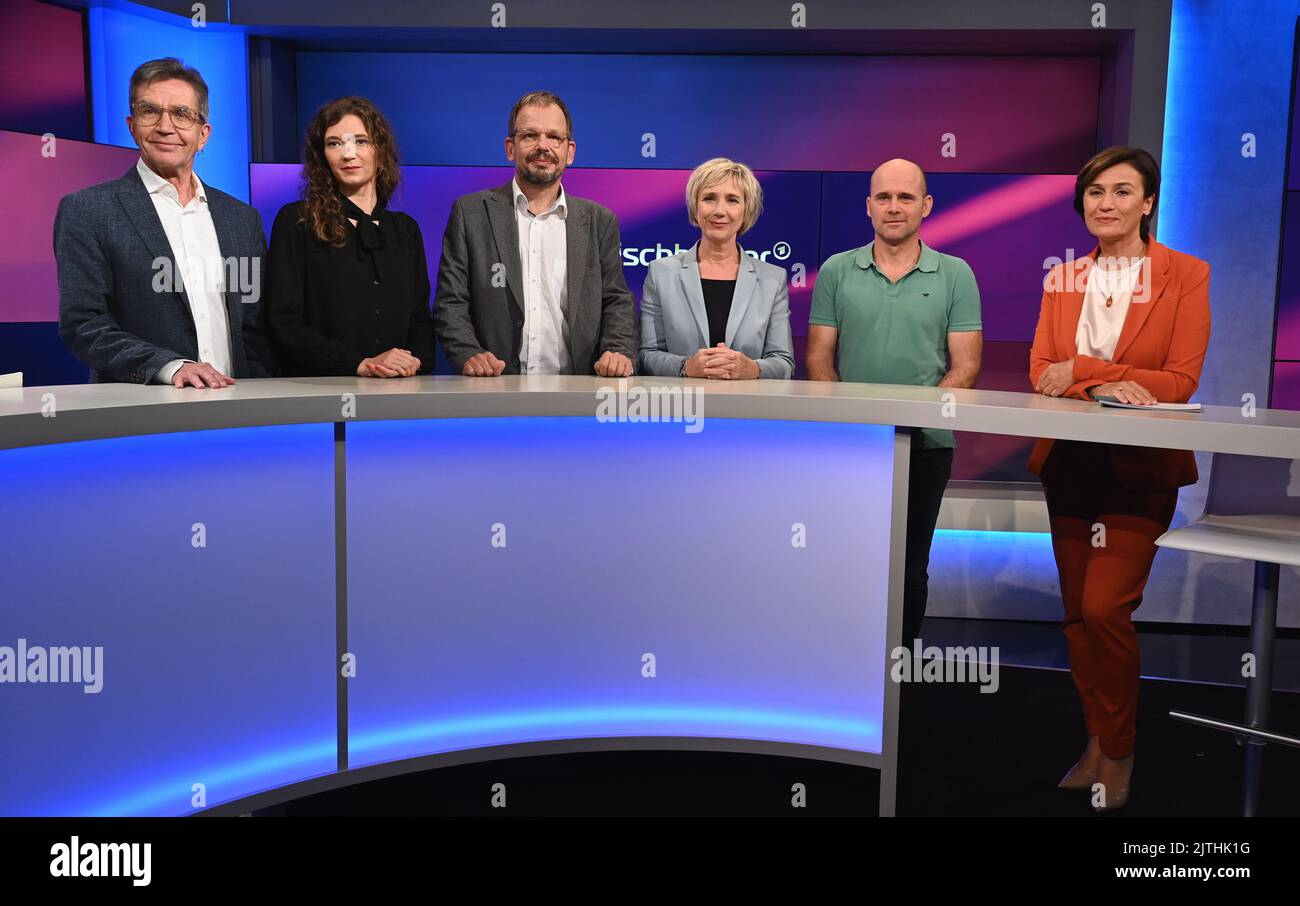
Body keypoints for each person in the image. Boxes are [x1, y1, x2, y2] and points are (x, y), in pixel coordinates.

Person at [1029, 146, 1211, 813]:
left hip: (1140, 468)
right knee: (1078, 615)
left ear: (1149, 202)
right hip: (1071, 461)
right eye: (1096, 192)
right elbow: (1038, 371)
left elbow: (1177, 381)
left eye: (1122, 191)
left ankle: (1123, 745)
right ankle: (1098, 741)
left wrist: (1081, 369)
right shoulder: (1064, 279)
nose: (1106, 203)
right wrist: (1100, 376)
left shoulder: (1185, 275)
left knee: (1108, 608)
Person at [806, 158, 983, 647]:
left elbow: (965, 367)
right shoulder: (838, 271)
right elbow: (819, 359)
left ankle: (896, 678)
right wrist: (848, 422)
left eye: (905, 197)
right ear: (868, 206)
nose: (894, 207)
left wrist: (918, 417)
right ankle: (846, 665)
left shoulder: (955, 274)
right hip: (852, 445)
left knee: (909, 567)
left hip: (926, 447)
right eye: (883, 197)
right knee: (847, 561)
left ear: (925, 206)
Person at [55, 57, 274, 386]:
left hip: (236, 410)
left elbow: (255, 329)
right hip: (142, 415)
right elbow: (84, 324)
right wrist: (170, 367)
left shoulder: (242, 219)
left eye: (182, 114)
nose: (165, 126)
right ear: (132, 125)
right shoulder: (87, 210)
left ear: (203, 135)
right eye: (149, 111)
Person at [433, 91, 637, 377]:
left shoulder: (599, 221)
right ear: (510, 147)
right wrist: (469, 353)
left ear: (570, 151)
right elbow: (450, 303)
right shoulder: (471, 213)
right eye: (530, 135)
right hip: (495, 388)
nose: (544, 146)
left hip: (578, 391)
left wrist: (617, 351)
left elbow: (617, 301)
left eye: (555, 137)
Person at [265, 97, 434, 377]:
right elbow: (283, 322)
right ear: (322, 156)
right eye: (334, 143)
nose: (348, 154)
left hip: (399, 394)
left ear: (379, 151)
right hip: (321, 393)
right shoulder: (297, 220)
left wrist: (413, 361)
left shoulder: (406, 230)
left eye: (361, 141)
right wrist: (359, 364)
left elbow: (419, 319)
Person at [638, 158, 793, 379]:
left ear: (746, 210)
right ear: (695, 206)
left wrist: (753, 369)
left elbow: (783, 362)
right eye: (709, 199)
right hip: (682, 407)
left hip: (746, 408)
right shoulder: (661, 273)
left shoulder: (773, 278)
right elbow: (646, 355)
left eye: (732, 200)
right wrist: (686, 367)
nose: (720, 210)